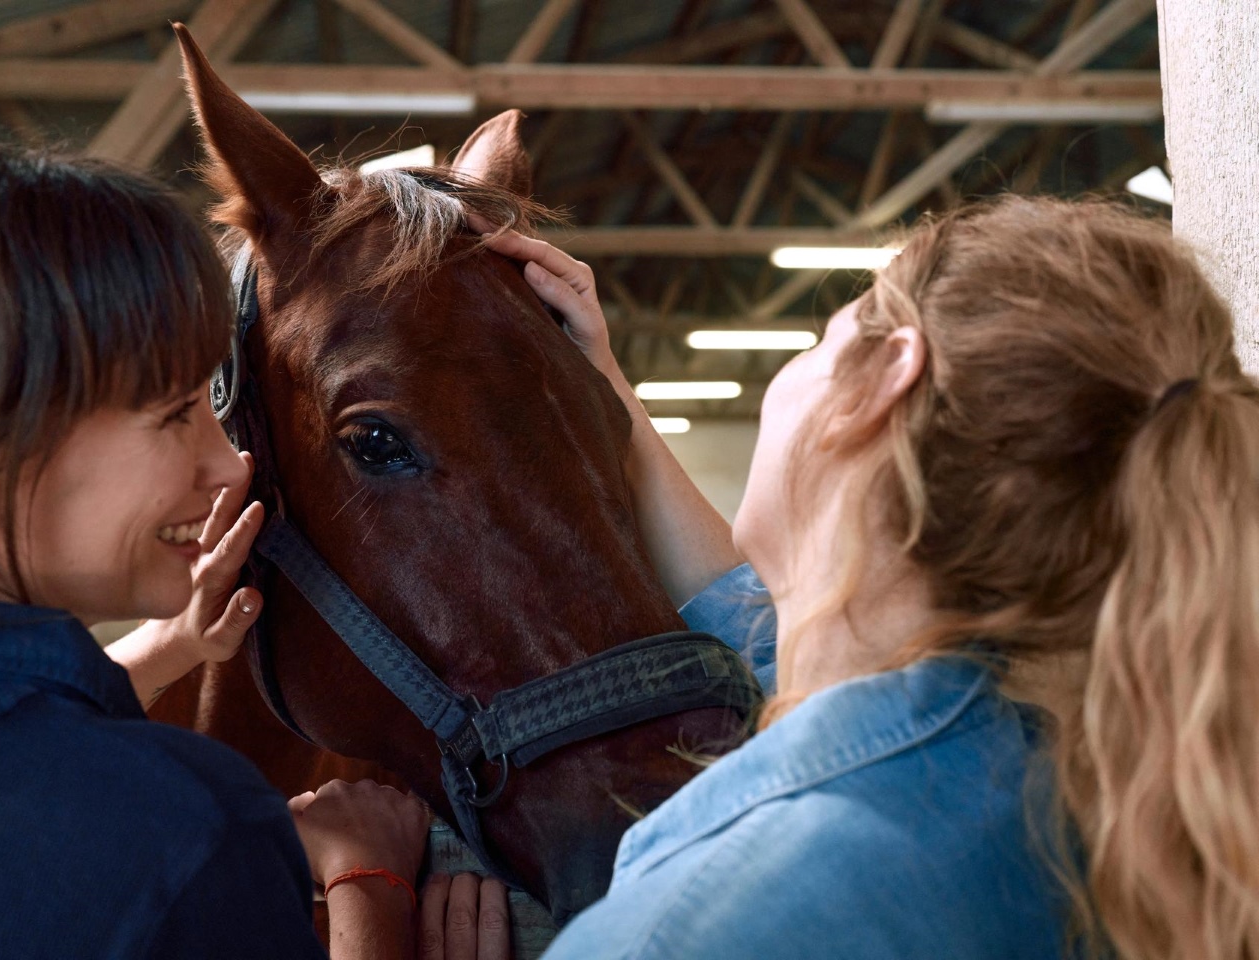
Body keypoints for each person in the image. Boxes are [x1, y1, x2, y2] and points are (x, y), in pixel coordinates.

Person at [485, 196, 1259, 959]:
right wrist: (603, 384)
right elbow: (777, 633)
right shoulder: (1066, 805)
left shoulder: (682, 928)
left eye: (825, 339)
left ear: (888, 375)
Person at [0, 139, 447, 960]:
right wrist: (373, 894)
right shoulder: (182, 826)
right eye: (172, 413)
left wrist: (169, 648)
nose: (228, 463)